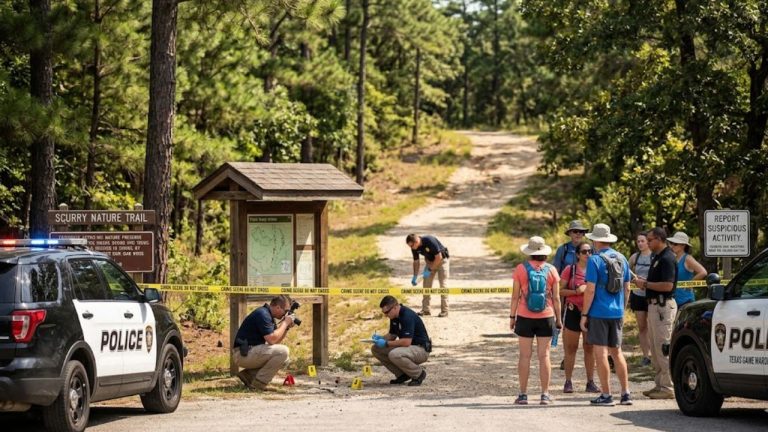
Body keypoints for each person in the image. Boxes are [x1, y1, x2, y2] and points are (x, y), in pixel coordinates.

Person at [580, 223, 632, 406]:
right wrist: (622, 309)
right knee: (617, 352)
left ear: (595, 240)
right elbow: (627, 288)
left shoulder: (594, 260)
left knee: (600, 353)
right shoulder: (622, 258)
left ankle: (606, 394)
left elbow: (590, 290)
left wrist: (584, 314)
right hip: (617, 312)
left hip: (599, 312)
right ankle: (625, 394)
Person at [510, 236, 561, 405]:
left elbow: (515, 296)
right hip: (546, 316)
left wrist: (512, 317)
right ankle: (545, 394)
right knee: (544, 355)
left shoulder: (520, 269)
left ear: (529, 253)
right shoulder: (552, 270)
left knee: (524, 356)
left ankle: (523, 394)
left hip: (525, 316)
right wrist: (558, 319)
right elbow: (556, 298)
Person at [634, 227, 677, 399]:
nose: (648, 243)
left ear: (659, 239)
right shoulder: (657, 257)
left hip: (662, 307)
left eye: (650, 240)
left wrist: (645, 284)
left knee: (663, 347)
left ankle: (668, 388)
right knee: (655, 347)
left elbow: (667, 286)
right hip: (654, 306)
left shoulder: (667, 258)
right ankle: (659, 384)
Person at [560, 241, 599, 394]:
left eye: (590, 251)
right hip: (573, 311)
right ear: (577, 254)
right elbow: (559, 291)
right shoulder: (570, 270)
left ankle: (590, 382)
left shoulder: (596, 269)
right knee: (571, 348)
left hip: (590, 312)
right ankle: (568, 381)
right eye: (584, 252)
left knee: (589, 348)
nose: (587, 254)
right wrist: (576, 292)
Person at [233, 295, 295, 390]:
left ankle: (248, 376)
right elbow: (271, 339)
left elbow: (275, 341)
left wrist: (286, 327)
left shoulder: (268, 315)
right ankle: (258, 384)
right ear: (278, 307)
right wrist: (285, 323)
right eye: (286, 311)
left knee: (285, 358)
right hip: (242, 354)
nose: (285, 314)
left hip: (249, 352)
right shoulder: (262, 314)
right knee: (283, 351)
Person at [370, 296, 431, 386]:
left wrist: (386, 343)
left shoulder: (407, 316)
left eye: (387, 312)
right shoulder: (394, 316)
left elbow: (406, 342)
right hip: (409, 348)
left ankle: (418, 374)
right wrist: (380, 339)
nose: (386, 315)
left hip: (421, 349)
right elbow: (392, 335)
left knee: (395, 354)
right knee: (376, 349)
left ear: (395, 307)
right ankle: (402, 374)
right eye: (384, 313)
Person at [406, 233, 450, 317]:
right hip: (430, 262)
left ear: (416, 241)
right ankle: (426, 310)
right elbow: (416, 261)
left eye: (412, 246)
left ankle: (445, 310)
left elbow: (439, 257)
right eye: (410, 246)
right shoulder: (414, 248)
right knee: (426, 285)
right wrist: (415, 276)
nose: (411, 248)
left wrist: (429, 270)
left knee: (443, 285)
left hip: (442, 261)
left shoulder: (429, 240)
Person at [628, 232, 652, 367]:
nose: (641, 243)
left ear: (648, 242)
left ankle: (657, 355)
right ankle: (646, 356)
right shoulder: (634, 257)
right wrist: (634, 279)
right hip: (637, 295)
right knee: (642, 327)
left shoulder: (655, 256)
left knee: (653, 327)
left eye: (643, 241)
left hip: (652, 295)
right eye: (638, 241)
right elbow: (625, 270)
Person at [667, 231, 707, 308]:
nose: (672, 246)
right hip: (673, 301)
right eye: (671, 243)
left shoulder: (688, 258)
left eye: (675, 244)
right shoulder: (673, 258)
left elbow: (703, 272)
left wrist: (691, 283)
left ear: (683, 245)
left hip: (686, 301)